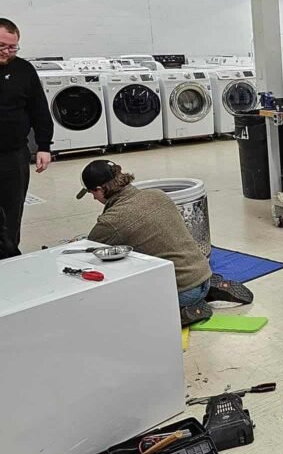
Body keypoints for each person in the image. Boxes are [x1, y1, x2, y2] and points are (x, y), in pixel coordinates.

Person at [78, 160, 252, 325]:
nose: (94, 198)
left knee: (121, 308)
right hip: (204, 273)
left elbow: (86, 250)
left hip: (182, 291)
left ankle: (187, 311)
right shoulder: (158, 194)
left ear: (100, 189)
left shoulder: (112, 220)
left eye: (93, 194)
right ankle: (209, 288)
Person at [0, 18, 53, 258]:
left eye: (12, 47)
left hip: (13, 155)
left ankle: (9, 258)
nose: (7, 52)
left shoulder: (24, 70)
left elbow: (39, 110)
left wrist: (44, 146)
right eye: (2, 46)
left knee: (12, 212)